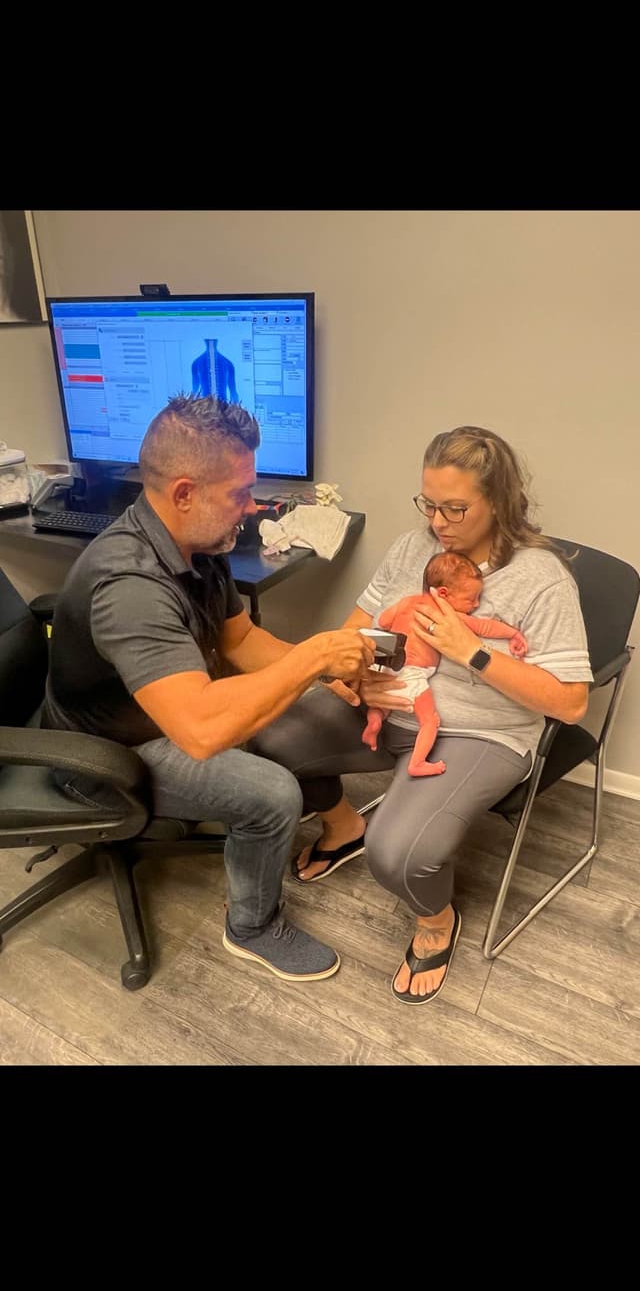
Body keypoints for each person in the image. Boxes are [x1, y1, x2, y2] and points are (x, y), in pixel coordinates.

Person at [251, 426, 593, 1004]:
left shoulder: (541, 579)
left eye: (456, 508)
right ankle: (344, 825)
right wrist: (355, 679)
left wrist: (472, 651)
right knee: (268, 733)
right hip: (389, 704)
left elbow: (570, 702)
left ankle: (436, 921)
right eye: (429, 505)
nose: (438, 523)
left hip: (480, 731)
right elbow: (354, 632)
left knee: (399, 855)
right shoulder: (415, 549)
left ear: (500, 501)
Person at [42, 393, 376, 983]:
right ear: (184, 493)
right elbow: (199, 732)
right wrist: (312, 658)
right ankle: (251, 927)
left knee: (298, 721)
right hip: (105, 754)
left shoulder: (197, 545)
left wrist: (325, 670)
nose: (251, 508)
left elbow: (242, 641)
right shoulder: (130, 585)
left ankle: (334, 826)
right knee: (271, 794)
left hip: (164, 712)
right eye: (239, 494)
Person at [362, 550, 528, 776]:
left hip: (388, 666)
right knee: (430, 720)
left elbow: (383, 620)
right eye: (471, 599)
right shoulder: (444, 612)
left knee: (384, 704)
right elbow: (484, 627)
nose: (476, 604)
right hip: (413, 672)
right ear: (443, 593)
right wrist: (513, 633)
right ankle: (417, 763)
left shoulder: (408, 602)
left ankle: (374, 721)